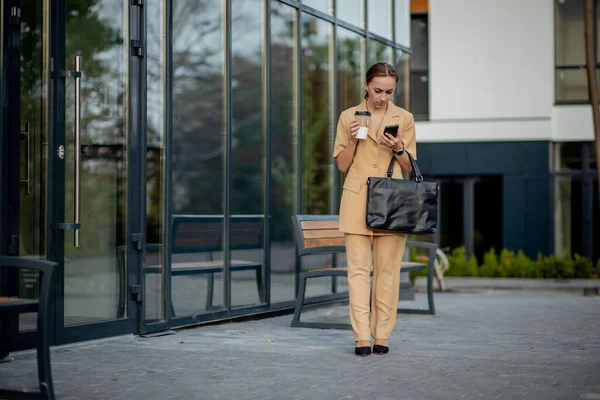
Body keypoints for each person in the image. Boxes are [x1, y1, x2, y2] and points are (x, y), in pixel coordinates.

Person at [333, 62, 416, 356]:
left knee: (388, 273)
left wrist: (397, 148)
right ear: (366, 85)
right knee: (357, 272)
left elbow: (410, 166)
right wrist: (356, 139)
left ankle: (382, 335)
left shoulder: (404, 118)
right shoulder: (348, 117)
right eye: (378, 90)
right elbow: (342, 165)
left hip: (392, 202)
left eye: (389, 91)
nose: (383, 97)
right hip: (356, 199)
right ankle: (360, 338)